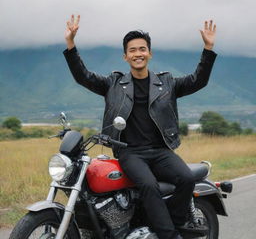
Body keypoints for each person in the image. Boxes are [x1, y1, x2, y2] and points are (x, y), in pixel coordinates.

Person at [63, 15, 217, 239]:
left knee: (186, 178)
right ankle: (169, 235)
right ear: (125, 56)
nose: (138, 54)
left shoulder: (167, 83)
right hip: (130, 152)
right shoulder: (112, 84)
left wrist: (208, 49)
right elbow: (83, 77)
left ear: (149, 54)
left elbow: (198, 80)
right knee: (148, 185)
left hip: (161, 150)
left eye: (142, 49)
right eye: (133, 50)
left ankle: (169, 226)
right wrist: (71, 45)